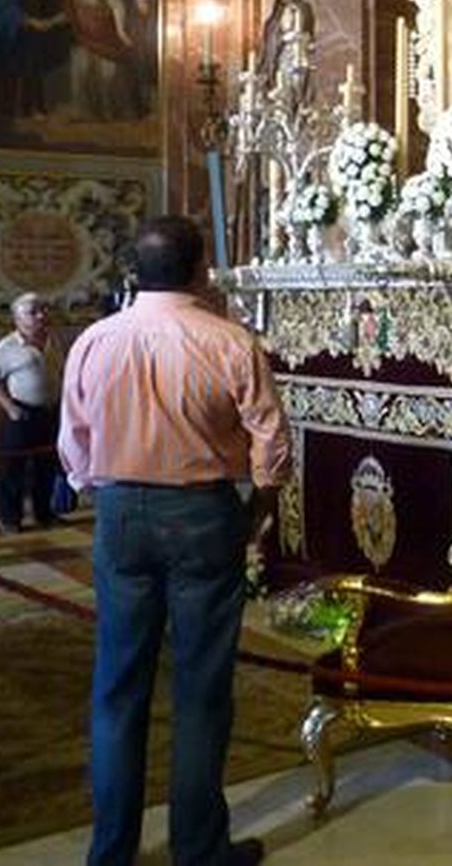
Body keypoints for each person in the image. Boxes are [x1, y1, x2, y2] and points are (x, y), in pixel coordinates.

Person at [59, 216, 289, 866]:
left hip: (120, 512)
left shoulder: (95, 341)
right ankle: (198, 850)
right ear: (200, 269)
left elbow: (73, 437)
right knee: (201, 687)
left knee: (117, 684)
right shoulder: (229, 340)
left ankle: (110, 853)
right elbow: (270, 435)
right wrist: (261, 503)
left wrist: (99, 491)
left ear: (134, 271)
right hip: (202, 513)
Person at [0, 292, 63, 533]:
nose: (41, 315)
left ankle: (44, 514)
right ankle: (11, 519)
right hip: (21, 413)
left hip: (50, 412)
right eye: (33, 312)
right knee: (12, 469)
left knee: (47, 466)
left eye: (43, 309)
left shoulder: (54, 340)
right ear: (17, 319)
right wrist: (11, 408)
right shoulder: (6, 347)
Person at [58, 0, 137, 120]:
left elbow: (117, 5)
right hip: (82, 34)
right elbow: (68, 14)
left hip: (102, 32)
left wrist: (121, 31)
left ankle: (112, 112)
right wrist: (46, 23)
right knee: (81, 70)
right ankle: (85, 112)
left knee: (107, 74)